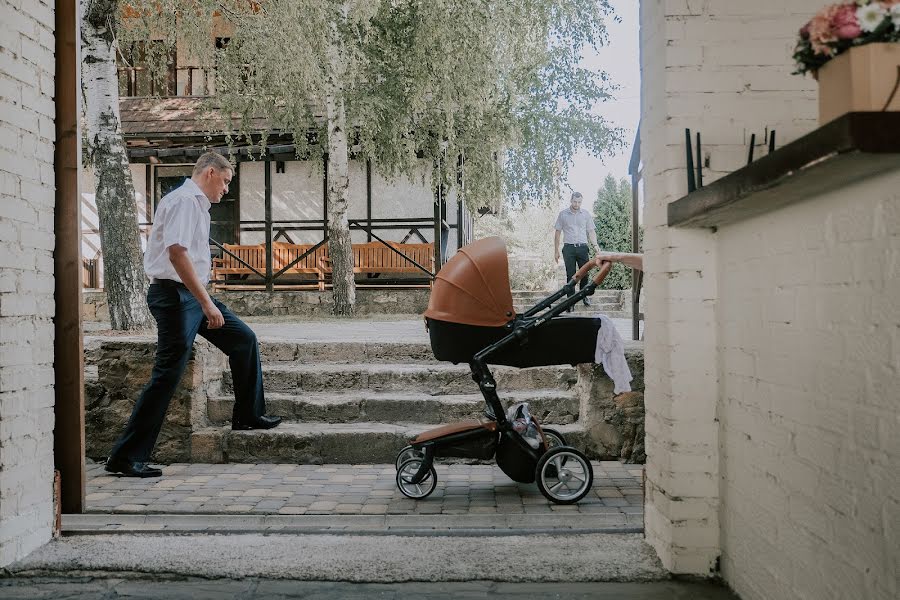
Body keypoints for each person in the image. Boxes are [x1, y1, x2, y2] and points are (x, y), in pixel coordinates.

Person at [105, 152, 281, 478]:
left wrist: (203, 300)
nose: (227, 189)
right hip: (176, 297)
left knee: (243, 339)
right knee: (167, 375)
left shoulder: (197, 204)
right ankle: (125, 457)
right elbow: (177, 254)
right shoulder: (185, 201)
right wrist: (207, 303)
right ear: (210, 173)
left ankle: (247, 415)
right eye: (226, 181)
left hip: (192, 295)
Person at [554, 192, 600, 306]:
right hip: (569, 248)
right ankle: (571, 301)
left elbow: (591, 231)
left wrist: (595, 246)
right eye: (575, 201)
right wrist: (556, 250)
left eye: (579, 202)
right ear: (571, 200)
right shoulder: (563, 214)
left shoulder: (585, 214)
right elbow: (557, 233)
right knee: (570, 275)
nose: (577, 204)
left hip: (583, 248)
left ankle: (584, 296)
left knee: (584, 273)